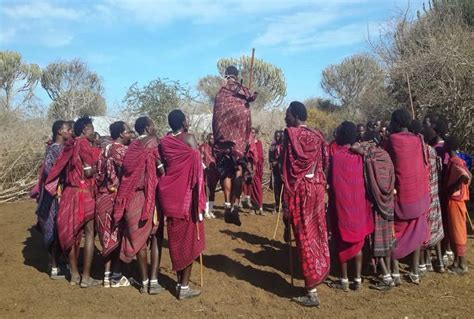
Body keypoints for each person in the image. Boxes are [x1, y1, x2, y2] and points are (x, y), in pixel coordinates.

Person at [282, 101, 330, 307]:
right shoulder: (318, 136)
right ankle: (319, 272)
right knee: (317, 231)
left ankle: (311, 290)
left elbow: (288, 172)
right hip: (317, 188)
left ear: (294, 115)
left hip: (301, 192)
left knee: (304, 236)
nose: (286, 118)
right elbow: (325, 162)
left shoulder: (291, 136)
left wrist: (286, 204)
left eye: (287, 114)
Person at [45, 116, 101, 287]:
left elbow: (57, 169)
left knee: (71, 233)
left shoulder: (67, 146)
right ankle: (86, 277)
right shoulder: (84, 145)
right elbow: (89, 172)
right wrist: (98, 165)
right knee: (89, 233)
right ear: (85, 129)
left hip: (69, 193)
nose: (92, 132)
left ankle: (74, 274)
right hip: (84, 193)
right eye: (91, 128)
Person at [113, 116, 165, 295]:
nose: (155, 128)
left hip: (131, 197)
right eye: (154, 125)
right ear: (148, 128)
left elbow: (126, 171)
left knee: (138, 240)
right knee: (156, 236)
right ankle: (154, 280)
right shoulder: (153, 143)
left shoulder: (132, 146)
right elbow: (162, 168)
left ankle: (143, 282)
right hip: (150, 196)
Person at [158, 110, 206, 300]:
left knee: (176, 240)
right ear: (184, 122)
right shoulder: (189, 138)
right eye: (187, 118)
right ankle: (184, 287)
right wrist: (201, 198)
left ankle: (179, 283)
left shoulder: (164, 142)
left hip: (169, 197)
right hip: (187, 198)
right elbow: (198, 170)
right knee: (190, 241)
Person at [386, 109, 430, 285]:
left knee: (395, 232)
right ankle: (414, 271)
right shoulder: (418, 139)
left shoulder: (392, 140)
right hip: (418, 195)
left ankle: (395, 272)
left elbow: (387, 163)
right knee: (417, 232)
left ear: (395, 122)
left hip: (401, 197)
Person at [329, 121, 374, 291]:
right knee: (358, 245)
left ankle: (344, 280)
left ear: (341, 136)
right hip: (359, 207)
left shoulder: (337, 156)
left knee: (342, 244)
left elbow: (332, 183)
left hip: (341, 206)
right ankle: (358, 279)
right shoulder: (360, 156)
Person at [212, 65, 258, 226]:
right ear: (237, 76)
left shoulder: (221, 93)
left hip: (224, 140)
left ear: (226, 75)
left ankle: (226, 205)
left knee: (225, 172)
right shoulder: (242, 90)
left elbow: (216, 118)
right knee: (239, 169)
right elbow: (250, 99)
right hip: (239, 139)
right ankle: (235, 206)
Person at [351, 130, 396, 291]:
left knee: (375, 241)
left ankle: (386, 277)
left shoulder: (368, 155)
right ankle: (391, 273)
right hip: (388, 202)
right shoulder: (386, 156)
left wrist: (363, 145)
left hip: (375, 204)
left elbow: (355, 147)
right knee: (387, 240)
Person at [33, 120, 72, 279]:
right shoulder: (55, 150)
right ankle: (54, 266)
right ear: (59, 132)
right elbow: (51, 173)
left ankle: (59, 262)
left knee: (59, 229)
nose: (70, 132)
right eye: (68, 129)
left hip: (58, 193)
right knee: (55, 230)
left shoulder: (60, 149)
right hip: (54, 195)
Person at [95, 121, 132, 287]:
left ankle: (106, 276)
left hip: (102, 197)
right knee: (117, 236)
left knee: (106, 237)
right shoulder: (121, 150)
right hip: (115, 198)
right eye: (128, 131)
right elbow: (131, 171)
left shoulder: (104, 149)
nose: (130, 134)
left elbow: (98, 175)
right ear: (122, 134)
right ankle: (116, 276)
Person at [443, 136, 472, 274]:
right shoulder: (460, 161)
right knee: (456, 231)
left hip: (455, 201)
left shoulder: (454, 162)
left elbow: (464, 176)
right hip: (458, 200)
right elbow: (469, 175)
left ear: (447, 147)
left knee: (458, 232)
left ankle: (462, 264)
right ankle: (457, 261)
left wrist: (451, 187)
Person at [199, 133, 218, 219]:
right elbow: (199, 158)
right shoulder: (203, 147)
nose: (212, 140)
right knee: (207, 191)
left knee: (213, 191)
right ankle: (206, 211)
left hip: (214, 173)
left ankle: (210, 210)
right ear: (208, 138)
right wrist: (204, 167)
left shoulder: (216, 148)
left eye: (213, 139)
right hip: (206, 172)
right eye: (211, 139)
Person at [247, 127, 264, 215]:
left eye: (253, 133)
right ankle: (252, 208)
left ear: (255, 134)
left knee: (258, 187)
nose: (252, 134)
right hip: (249, 169)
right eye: (251, 133)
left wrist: (255, 161)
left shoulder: (259, 143)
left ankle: (260, 207)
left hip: (256, 169)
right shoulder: (248, 143)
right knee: (250, 188)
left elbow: (261, 156)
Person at [269, 130, 284, 214]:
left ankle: (283, 205)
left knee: (284, 189)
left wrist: (278, 162)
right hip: (275, 170)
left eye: (280, 136)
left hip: (283, 171)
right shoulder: (273, 146)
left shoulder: (284, 146)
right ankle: (277, 205)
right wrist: (271, 162)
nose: (278, 138)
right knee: (276, 188)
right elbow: (270, 156)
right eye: (277, 136)